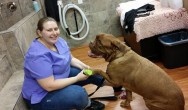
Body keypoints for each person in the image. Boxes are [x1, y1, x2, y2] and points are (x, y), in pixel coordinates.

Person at [21, 17, 106, 110]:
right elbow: (49, 86)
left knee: (89, 72)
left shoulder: (58, 41)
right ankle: (87, 104)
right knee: (79, 94)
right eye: (49, 30)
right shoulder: (37, 56)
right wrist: (77, 78)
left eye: (56, 29)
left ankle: (113, 83)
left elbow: (71, 59)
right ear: (39, 32)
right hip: (42, 96)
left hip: (58, 78)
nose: (54, 33)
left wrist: (86, 67)